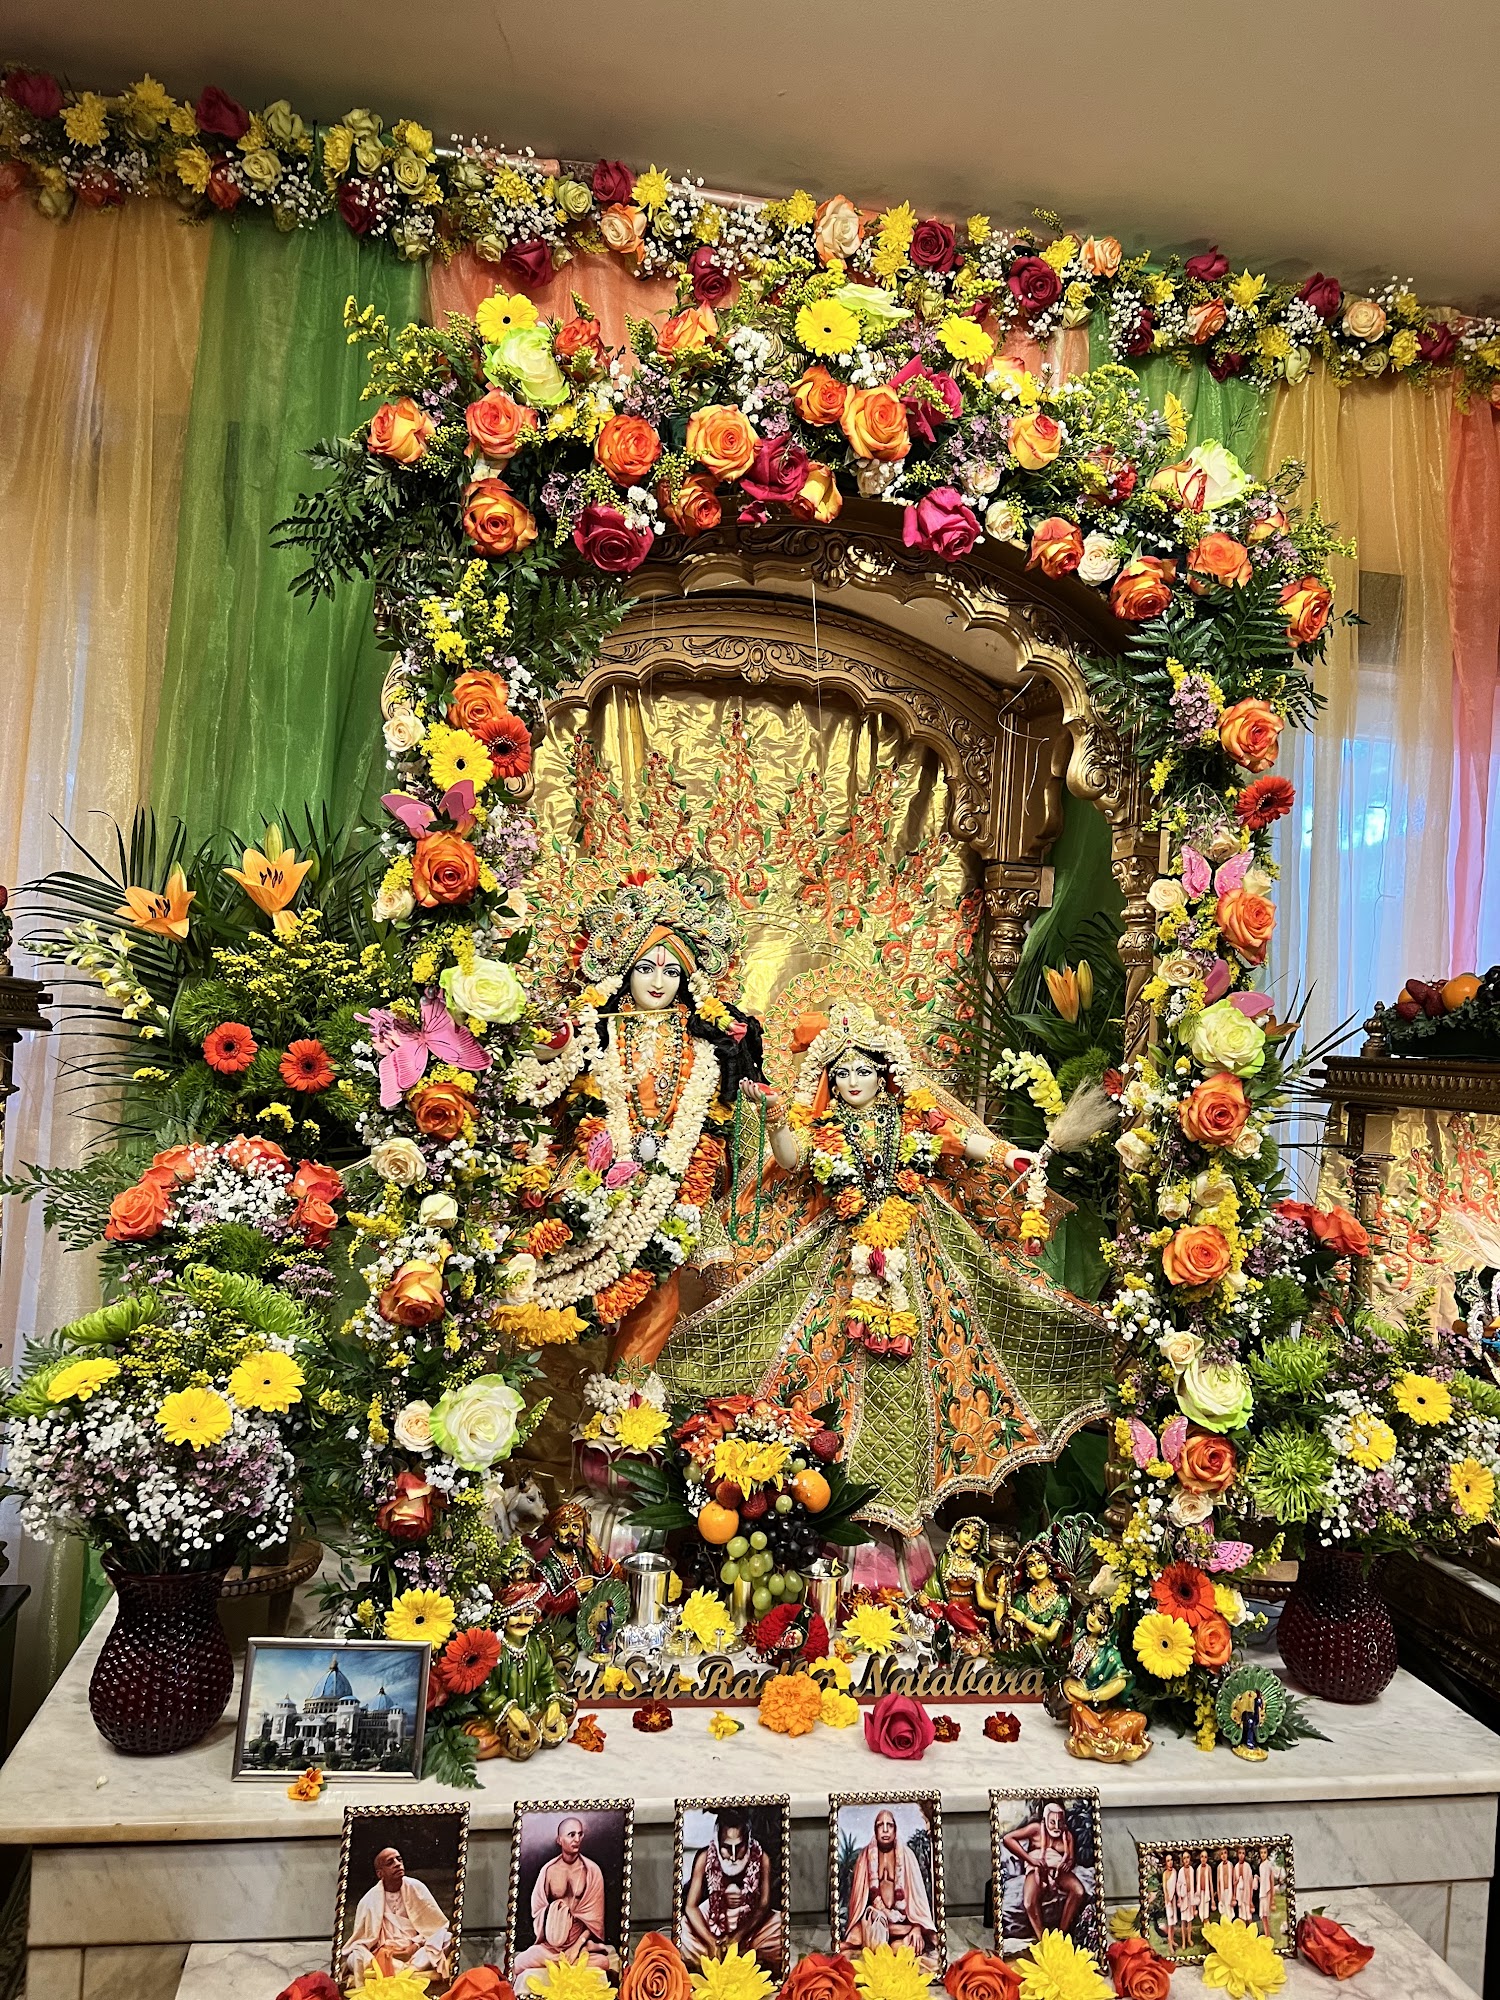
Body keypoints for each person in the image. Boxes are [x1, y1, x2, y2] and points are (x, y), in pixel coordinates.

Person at [662, 1000, 1111, 1535]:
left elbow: (957, 1139)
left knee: (944, 1353)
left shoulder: (911, 1116)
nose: (853, 1082)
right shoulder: (823, 1125)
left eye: (863, 1071)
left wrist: (1005, 1155)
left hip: (917, 1245)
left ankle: (910, 1499)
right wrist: (778, 1116)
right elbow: (789, 1158)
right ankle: (828, 1494)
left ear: (884, 1074)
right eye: (842, 1073)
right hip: (839, 1252)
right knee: (812, 1352)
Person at [509, 866, 765, 1368]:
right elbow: (543, 1082)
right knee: (543, 1283)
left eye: (672, 972)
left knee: (658, 1294)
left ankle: (623, 1405)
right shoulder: (595, 1025)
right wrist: (555, 1043)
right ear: (625, 971)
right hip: (597, 1176)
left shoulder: (705, 1038)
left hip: (675, 1183)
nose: (658, 981)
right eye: (646, 967)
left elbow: (729, 1103)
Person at [511, 1814, 616, 1990]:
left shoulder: (592, 1871)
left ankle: (583, 1951)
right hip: (552, 1944)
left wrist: (577, 1946)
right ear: (559, 1840)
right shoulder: (548, 1870)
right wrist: (555, 1916)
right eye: (571, 1835)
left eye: (580, 1834)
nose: (577, 1839)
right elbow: (538, 1909)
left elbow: (594, 1918)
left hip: (579, 1942)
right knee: (518, 1962)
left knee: (603, 1962)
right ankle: (569, 1958)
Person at [679, 1807, 783, 1972]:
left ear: (748, 1840)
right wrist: (711, 1942)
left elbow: (763, 1906)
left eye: (739, 1846)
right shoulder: (704, 1857)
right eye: (727, 1847)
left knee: (780, 1927)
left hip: (750, 1928)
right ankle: (717, 1957)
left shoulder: (762, 1857)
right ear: (717, 1841)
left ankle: (744, 1956)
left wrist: (737, 1937)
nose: (734, 1856)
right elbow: (691, 1907)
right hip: (710, 1925)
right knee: (683, 1933)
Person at [341, 1846, 452, 1989]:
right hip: (385, 1954)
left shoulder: (416, 1887)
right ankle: (414, 1975)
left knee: (446, 1938)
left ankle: (390, 1975)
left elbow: (434, 1927)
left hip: (414, 1953)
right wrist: (387, 1952)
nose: (397, 1864)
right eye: (390, 1862)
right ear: (380, 1873)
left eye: (399, 1859)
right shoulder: (368, 1900)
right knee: (355, 1956)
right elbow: (362, 1939)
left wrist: (414, 1946)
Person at [841, 1809, 940, 1967]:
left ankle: (887, 1944)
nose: (885, 1830)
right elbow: (858, 1901)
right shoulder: (865, 1857)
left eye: (890, 1825)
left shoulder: (907, 1856)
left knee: (904, 1945)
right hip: (874, 1922)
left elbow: (918, 1901)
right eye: (880, 1825)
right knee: (855, 1937)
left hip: (902, 1923)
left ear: (895, 1829)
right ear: (875, 1830)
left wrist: (917, 1928)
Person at [1001, 1801, 1086, 1943]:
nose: (1057, 1826)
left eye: (1060, 1822)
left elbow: (1071, 1858)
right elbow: (1008, 1839)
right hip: (1036, 1868)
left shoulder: (1067, 1835)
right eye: (1052, 1822)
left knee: (1079, 1891)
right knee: (1029, 1902)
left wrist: (1068, 1864)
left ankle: (1061, 1934)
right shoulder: (1036, 1829)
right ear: (1045, 1820)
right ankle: (1042, 1939)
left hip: (1058, 1869)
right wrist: (1030, 1859)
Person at [1256, 1845, 1279, 1938]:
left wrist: (1272, 1899)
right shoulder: (1261, 1866)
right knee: (1263, 1916)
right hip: (1262, 1892)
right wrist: (1257, 1878)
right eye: (1261, 1853)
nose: (1263, 1855)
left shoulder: (1269, 1864)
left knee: (1266, 1915)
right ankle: (1267, 1934)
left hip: (1267, 1892)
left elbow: (1271, 1880)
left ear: (1267, 1853)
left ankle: (1268, 1935)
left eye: (1265, 1852)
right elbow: (1263, 1880)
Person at [1160, 1851, 1179, 1957]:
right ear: (1166, 1863)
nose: (1170, 1862)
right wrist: (1168, 1898)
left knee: (1173, 1923)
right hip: (1168, 1901)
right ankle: (1170, 1943)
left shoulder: (1175, 1872)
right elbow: (1165, 1887)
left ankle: (1172, 1940)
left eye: (1171, 1860)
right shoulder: (1165, 1874)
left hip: (1174, 1899)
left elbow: (1175, 1886)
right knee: (1170, 1922)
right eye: (1168, 1861)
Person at [1233, 1846, 1256, 1924]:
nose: (1241, 1855)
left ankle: (1251, 1929)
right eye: (1240, 1853)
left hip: (1247, 1893)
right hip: (1239, 1893)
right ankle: (1243, 1930)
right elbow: (1234, 1883)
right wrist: (1234, 1895)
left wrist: (1250, 1899)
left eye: (1243, 1853)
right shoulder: (1236, 1867)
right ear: (1237, 1854)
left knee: (1248, 1914)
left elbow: (1250, 1883)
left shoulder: (1247, 1866)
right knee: (1241, 1914)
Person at [1215, 1846, 1235, 1922]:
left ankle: (1230, 1924)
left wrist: (1233, 1895)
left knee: (1229, 1909)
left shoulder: (1230, 1865)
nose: (1223, 1855)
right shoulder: (1219, 1867)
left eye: (1225, 1853)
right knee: (1223, 1910)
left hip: (1229, 1890)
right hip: (1222, 1892)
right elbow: (1218, 1883)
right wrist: (1219, 1897)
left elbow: (1233, 1880)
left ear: (1227, 1854)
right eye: (1222, 1854)